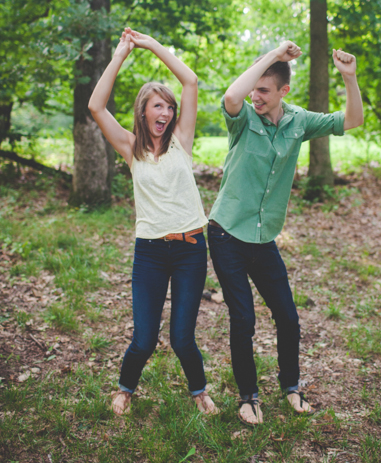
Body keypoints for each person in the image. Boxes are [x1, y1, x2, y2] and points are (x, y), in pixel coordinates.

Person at [207, 42, 364, 425]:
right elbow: (232, 96)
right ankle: (248, 397)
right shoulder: (243, 118)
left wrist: (349, 77)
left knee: (289, 318)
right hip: (227, 234)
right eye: (254, 89)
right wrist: (274, 55)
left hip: (263, 240)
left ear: (284, 91)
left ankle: (291, 386)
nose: (255, 96)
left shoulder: (298, 121)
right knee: (243, 319)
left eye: (264, 90)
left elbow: (352, 120)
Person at [88, 28, 218, 417]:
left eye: (169, 107)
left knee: (182, 338)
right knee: (144, 339)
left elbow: (190, 81)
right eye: (158, 106)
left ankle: (199, 392)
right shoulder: (130, 147)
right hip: (149, 252)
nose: (165, 113)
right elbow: (96, 106)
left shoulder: (182, 140)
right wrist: (121, 54)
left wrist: (151, 44)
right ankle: (125, 389)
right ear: (144, 111)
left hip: (190, 248)